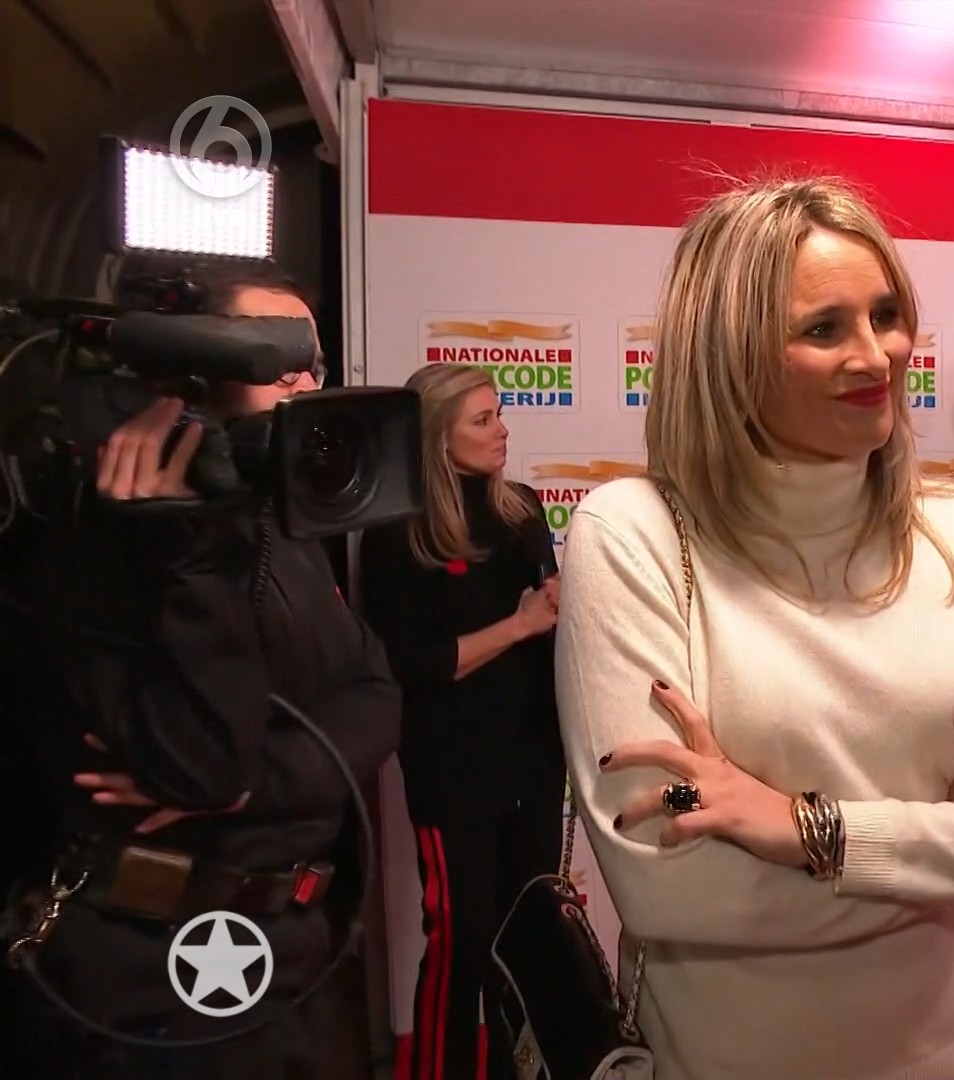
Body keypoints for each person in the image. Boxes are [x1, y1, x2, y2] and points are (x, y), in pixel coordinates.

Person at [554, 175, 954, 1080]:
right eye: (823, 329)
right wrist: (951, 841)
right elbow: (666, 869)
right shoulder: (634, 534)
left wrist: (799, 825)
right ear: (730, 357)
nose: (878, 354)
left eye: (886, 315)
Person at [0, 265, 402, 1080]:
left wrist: (260, 783)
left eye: (313, 365)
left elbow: (376, 700)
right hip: (149, 968)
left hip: (288, 955)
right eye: (274, 363)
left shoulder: (275, 523)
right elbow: (206, 763)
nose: (304, 385)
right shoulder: (103, 542)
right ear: (188, 378)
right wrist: (182, 553)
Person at [357, 362, 564, 1080]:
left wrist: (561, 606)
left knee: (526, 938)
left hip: (535, 760)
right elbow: (409, 665)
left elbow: (546, 615)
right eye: (482, 419)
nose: (503, 429)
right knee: (462, 939)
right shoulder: (397, 534)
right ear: (436, 437)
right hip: (453, 771)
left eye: (499, 412)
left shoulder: (523, 509)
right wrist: (518, 625)